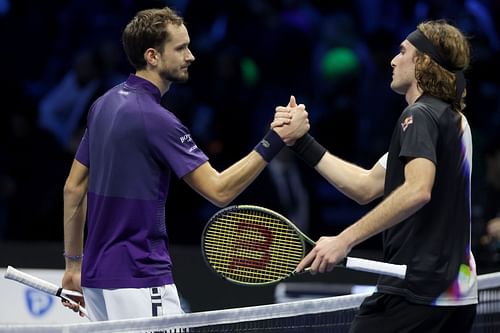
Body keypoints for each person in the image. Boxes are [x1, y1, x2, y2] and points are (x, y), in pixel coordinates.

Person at [61, 6, 309, 321]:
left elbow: (73, 187)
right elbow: (219, 191)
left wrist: (73, 266)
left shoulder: (103, 105)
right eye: (180, 48)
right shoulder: (157, 120)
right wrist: (276, 139)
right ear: (152, 56)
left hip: (97, 279)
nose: (190, 56)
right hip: (139, 278)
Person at [275, 20, 478, 332]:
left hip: (414, 294)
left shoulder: (418, 116)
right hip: (456, 297)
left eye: (403, 52)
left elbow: (417, 190)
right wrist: (302, 142)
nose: (393, 60)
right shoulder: (453, 120)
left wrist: (344, 239)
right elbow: (366, 186)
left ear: (422, 61)